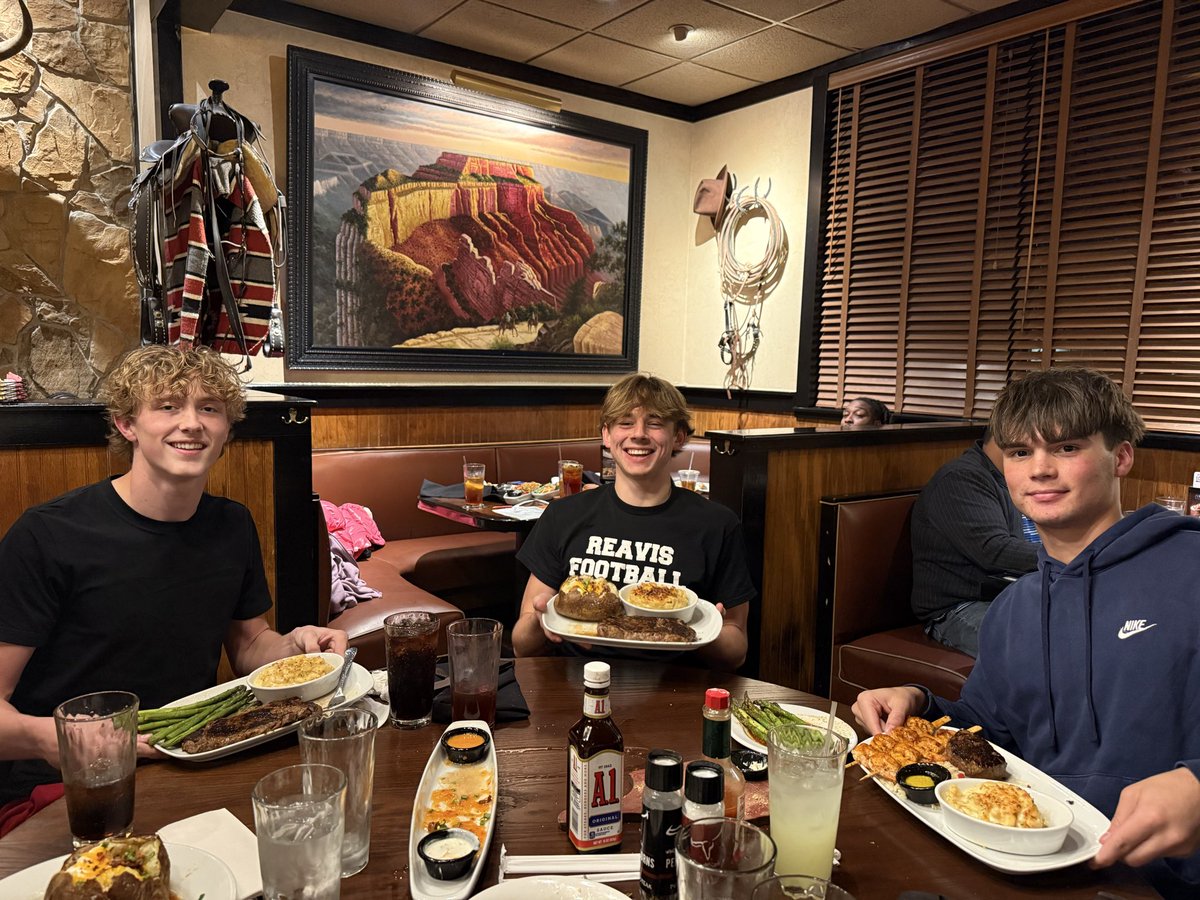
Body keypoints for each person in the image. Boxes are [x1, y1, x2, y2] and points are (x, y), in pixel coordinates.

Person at [853, 367, 1200, 897]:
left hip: (1161, 880)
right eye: (1019, 453)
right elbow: (994, 730)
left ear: (1122, 457)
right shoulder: (1015, 607)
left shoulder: (1189, 566)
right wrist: (920, 700)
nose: (1039, 469)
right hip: (1030, 862)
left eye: (1065, 448)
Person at [0, 346, 347, 804]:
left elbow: (246, 644)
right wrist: (57, 739)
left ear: (226, 430)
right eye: (167, 406)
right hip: (64, 785)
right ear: (128, 425)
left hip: (191, 758)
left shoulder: (232, 524)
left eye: (209, 408)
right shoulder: (47, 534)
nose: (191, 423)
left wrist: (295, 647)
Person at [512, 373, 755, 670]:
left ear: (678, 436)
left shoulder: (717, 525)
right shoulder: (564, 515)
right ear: (606, 435)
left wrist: (705, 631)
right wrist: (542, 621)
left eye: (654, 423)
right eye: (625, 422)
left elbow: (736, 649)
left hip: (675, 689)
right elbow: (521, 645)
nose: (638, 434)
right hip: (576, 683)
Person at [910, 428, 1039, 656]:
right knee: (1038, 648)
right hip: (961, 606)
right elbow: (994, 551)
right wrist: (1071, 554)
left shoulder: (1022, 478)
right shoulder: (961, 478)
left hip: (1021, 593)